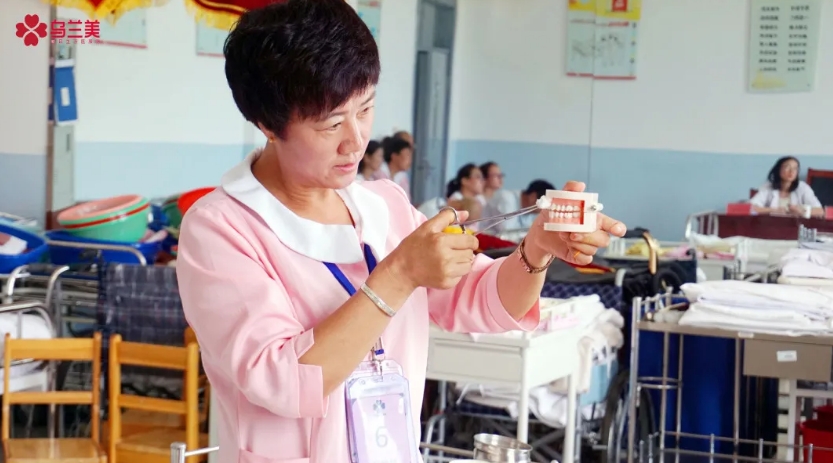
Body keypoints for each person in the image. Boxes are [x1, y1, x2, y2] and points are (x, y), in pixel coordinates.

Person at [175, 1, 626, 462]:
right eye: (332, 124)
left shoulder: (383, 206)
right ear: (268, 125)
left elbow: (481, 300)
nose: (356, 140)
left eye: (365, 108)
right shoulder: (220, 229)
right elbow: (282, 380)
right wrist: (399, 276)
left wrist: (537, 249)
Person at [750, 156, 823, 217]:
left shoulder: (803, 187)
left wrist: (802, 211)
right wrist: (774, 210)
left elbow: (820, 211)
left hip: (797, 225)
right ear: (779, 170)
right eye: (787, 167)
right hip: (771, 225)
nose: (791, 171)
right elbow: (751, 209)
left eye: (795, 168)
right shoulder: (767, 186)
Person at [480, 161, 519, 231]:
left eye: (501, 175)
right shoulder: (479, 200)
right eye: (496, 175)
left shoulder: (499, 199)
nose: (500, 178)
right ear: (484, 178)